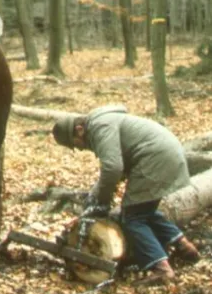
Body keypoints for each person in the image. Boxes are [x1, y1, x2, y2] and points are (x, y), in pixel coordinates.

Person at [52, 104, 200, 284]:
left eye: (76, 144)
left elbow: (112, 168)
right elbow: (119, 165)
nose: (81, 149)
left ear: (79, 130)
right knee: (145, 212)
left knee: (132, 218)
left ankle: (161, 269)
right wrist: (97, 192)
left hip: (155, 159)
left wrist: (101, 202)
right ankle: (185, 247)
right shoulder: (103, 123)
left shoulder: (100, 127)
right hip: (166, 153)